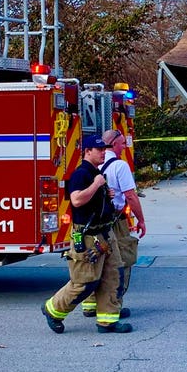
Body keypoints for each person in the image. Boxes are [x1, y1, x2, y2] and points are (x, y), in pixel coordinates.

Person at [41, 135, 133, 333]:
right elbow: (76, 200)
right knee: (86, 281)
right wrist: (96, 186)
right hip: (89, 237)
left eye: (104, 149)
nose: (103, 153)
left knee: (113, 276)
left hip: (106, 233)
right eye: (98, 150)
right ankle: (53, 309)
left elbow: (94, 200)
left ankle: (107, 321)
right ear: (87, 151)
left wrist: (105, 194)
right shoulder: (82, 174)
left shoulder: (97, 173)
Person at [81, 129, 146, 318]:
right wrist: (140, 220)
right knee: (120, 262)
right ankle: (112, 305)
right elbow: (130, 196)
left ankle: (90, 304)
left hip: (95, 223)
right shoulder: (120, 166)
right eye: (123, 143)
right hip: (115, 222)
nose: (125, 146)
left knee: (97, 261)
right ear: (114, 144)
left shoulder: (91, 165)